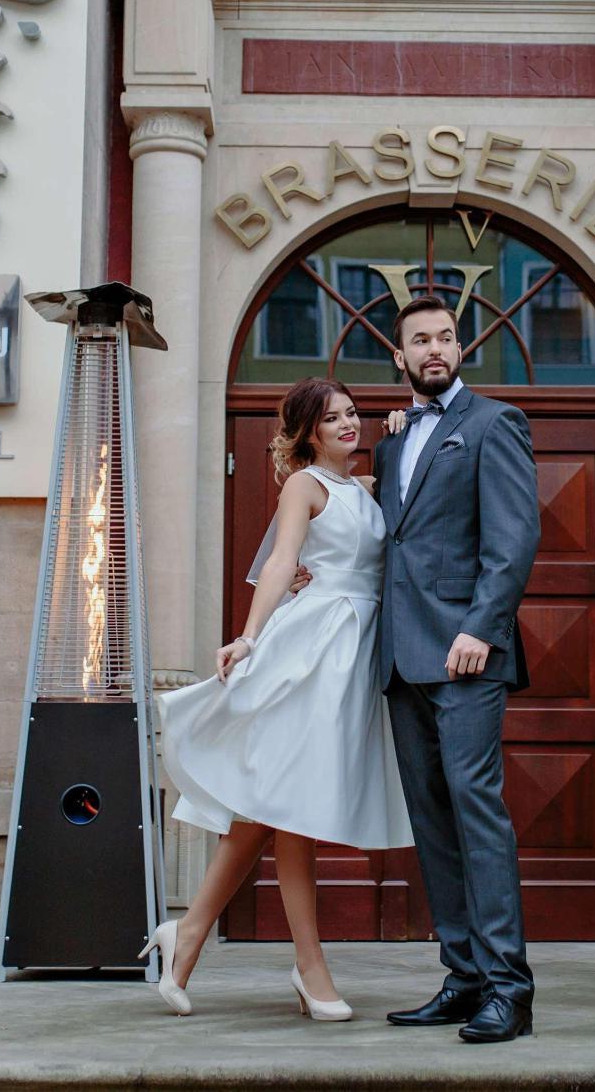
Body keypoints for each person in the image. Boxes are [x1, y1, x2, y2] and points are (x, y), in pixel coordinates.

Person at [145, 377, 413, 1019]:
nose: (348, 423)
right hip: (311, 651)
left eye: (353, 412)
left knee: (268, 807)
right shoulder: (304, 486)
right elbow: (280, 561)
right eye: (332, 417)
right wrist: (248, 636)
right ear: (308, 432)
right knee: (288, 807)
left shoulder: (368, 488)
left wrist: (408, 431)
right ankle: (309, 966)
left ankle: (187, 934)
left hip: (357, 656)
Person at [373, 296, 541, 1044]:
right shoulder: (391, 443)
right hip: (401, 657)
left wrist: (482, 626)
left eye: (445, 337)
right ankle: (464, 975)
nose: (435, 348)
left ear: (459, 347)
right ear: (400, 356)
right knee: (432, 821)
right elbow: (396, 541)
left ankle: (510, 988)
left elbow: (515, 537)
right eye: (421, 340)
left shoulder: (494, 423)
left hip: (465, 653)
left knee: (477, 811)